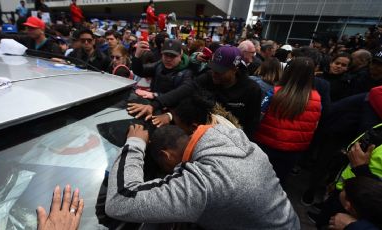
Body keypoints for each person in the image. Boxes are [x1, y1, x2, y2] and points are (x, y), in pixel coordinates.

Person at [105, 124, 300, 229]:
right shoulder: (230, 138)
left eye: (164, 168)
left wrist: (135, 144)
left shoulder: (204, 183)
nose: (169, 175)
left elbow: (120, 200)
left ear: (166, 156)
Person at [254, 57, 322, 183]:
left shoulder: (274, 93)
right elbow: (314, 125)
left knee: (258, 177)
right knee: (279, 180)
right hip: (293, 151)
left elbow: (259, 115)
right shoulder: (317, 100)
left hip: (266, 144)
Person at [196, 46, 262, 139]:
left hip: (234, 141)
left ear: (235, 69)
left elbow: (252, 124)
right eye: (213, 68)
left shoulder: (251, 89)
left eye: (220, 71)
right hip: (204, 136)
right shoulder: (206, 79)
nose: (214, 73)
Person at [128, 39, 194, 120]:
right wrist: (137, 56)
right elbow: (140, 71)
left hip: (172, 117)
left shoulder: (187, 73)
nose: (168, 59)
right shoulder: (159, 65)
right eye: (166, 55)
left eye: (173, 56)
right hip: (153, 108)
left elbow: (180, 95)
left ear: (180, 55)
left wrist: (155, 95)